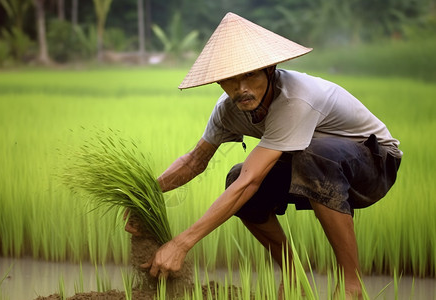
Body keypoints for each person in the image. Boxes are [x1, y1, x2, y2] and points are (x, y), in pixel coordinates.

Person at [125, 12, 402, 299]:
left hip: (374, 164)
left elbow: (251, 180)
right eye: (230, 80)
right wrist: (146, 193)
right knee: (235, 177)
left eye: (250, 75)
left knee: (296, 163)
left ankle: (351, 283)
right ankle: (292, 273)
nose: (241, 88)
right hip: (315, 166)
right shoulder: (228, 110)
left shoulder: (294, 98)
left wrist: (181, 244)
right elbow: (195, 160)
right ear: (219, 83)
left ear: (269, 70)